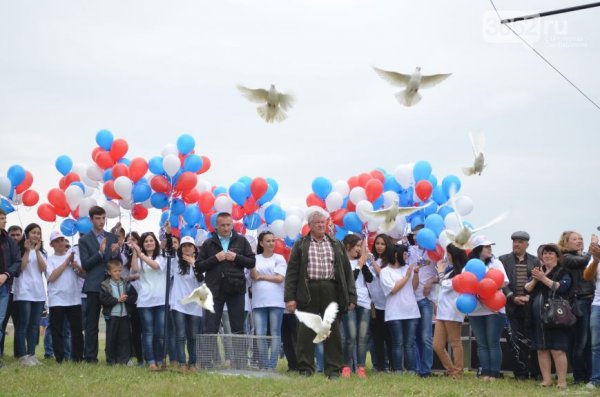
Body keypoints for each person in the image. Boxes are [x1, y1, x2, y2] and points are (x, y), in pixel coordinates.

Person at [284, 210, 356, 379]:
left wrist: (352, 296)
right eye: (317, 222)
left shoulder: (336, 244)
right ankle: (305, 369)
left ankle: (333, 370)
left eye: (323, 222)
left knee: (333, 331)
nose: (321, 225)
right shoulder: (300, 244)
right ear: (309, 225)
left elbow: (347, 273)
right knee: (305, 331)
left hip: (331, 289)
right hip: (307, 290)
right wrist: (290, 298)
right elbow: (292, 273)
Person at [196, 212, 255, 369]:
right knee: (210, 327)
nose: (226, 228)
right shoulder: (208, 243)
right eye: (222, 225)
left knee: (238, 327)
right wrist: (216, 258)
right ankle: (207, 363)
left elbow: (251, 261)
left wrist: (235, 257)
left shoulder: (241, 240)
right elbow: (199, 266)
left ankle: (241, 363)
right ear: (216, 226)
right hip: (214, 290)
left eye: (228, 224)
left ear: (232, 224)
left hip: (236, 289)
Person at [524, 243, 573, 389]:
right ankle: (546, 380)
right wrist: (535, 278)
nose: (547, 256)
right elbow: (527, 289)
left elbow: (562, 287)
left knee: (557, 349)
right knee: (541, 349)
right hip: (537, 317)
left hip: (556, 317)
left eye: (550, 253)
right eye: (544, 254)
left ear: (557, 256)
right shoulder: (538, 271)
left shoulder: (563, 271)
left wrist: (543, 278)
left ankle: (562, 382)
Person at [78, 206, 120, 363]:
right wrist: (101, 253)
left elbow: (117, 264)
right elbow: (86, 264)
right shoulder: (84, 240)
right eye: (98, 218)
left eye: (103, 218)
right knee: (91, 324)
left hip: (111, 286)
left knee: (113, 322)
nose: (101, 221)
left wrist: (116, 253)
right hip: (93, 286)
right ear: (91, 219)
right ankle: (90, 357)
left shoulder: (112, 237)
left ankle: (112, 357)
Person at [498, 231, 541, 380]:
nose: (516, 244)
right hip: (511, 307)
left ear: (527, 244)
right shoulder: (503, 260)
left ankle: (535, 372)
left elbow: (538, 283)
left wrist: (528, 297)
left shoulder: (535, 261)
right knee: (514, 340)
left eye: (520, 242)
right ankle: (520, 373)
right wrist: (512, 297)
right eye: (514, 241)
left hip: (530, 308)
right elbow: (501, 282)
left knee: (533, 340)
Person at [467, 235, 509, 381]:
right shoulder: (469, 264)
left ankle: (494, 373)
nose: (490, 249)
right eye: (487, 246)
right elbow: (464, 283)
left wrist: (486, 288)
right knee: (482, 343)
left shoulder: (496, 263)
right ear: (478, 249)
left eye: (491, 246)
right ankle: (484, 372)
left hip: (494, 308)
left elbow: (503, 282)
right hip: (475, 309)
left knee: (493, 342)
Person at [559, 231, 595, 384]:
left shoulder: (582, 256)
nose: (579, 241)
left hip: (589, 301)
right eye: (574, 239)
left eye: (581, 238)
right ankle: (579, 377)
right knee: (580, 342)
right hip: (578, 302)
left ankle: (588, 376)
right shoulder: (566, 257)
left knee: (588, 343)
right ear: (565, 243)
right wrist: (592, 248)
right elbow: (583, 262)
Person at [130, 229, 169, 371]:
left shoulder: (162, 256)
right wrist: (136, 252)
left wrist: (140, 254)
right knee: (148, 332)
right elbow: (134, 269)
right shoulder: (140, 257)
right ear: (142, 244)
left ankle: (160, 360)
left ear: (156, 242)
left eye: (151, 240)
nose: (149, 243)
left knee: (160, 334)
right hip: (145, 301)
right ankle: (151, 361)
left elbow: (155, 266)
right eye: (146, 241)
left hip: (161, 300)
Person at [45, 230, 84, 363]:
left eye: (62, 240)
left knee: (76, 330)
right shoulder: (49, 260)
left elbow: (84, 274)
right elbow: (52, 277)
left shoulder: (74, 256)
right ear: (52, 244)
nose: (60, 243)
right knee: (57, 330)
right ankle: (60, 358)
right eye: (56, 241)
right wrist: (66, 262)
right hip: (57, 299)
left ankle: (77, 357)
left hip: (74, 298)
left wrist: (74, 264)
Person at [380, 244, 420, 373]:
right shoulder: (385, 271)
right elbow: (393, 290)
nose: (406, 256)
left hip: (411, 311)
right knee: (398, 343)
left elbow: (414, 287)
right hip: (395, 312)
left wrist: (415, 274)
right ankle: (398, 370)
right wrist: (407, 277)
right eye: (404, 254)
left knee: (410, 344)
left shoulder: (407, 268)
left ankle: (412, 370)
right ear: (396, 254)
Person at [250, 231, 287, 370]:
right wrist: (252, 261)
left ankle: (272, 365)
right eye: (268, 241)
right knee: (260, 333)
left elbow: (279, 278)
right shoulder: (255, 258)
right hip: (259, 301)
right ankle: (265, 364)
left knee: (275, 332)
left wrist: (262, 276)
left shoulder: (280, 258)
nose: (271, 243)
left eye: (273, 240)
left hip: (276, 300)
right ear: (261, 243)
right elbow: (254, 276)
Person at [14, 223, 47, 366]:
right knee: (23, 324)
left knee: (34, 326)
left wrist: (37, 251)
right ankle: (22, 356)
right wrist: (27, 251)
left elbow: (43, 268)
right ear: (27, 234)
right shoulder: (19, 250)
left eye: (38, 233)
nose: (36, 235)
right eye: (33, 232)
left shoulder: (42, 252)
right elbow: (20, 269)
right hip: (24, 292)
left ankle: (32, 355)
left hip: (38, 292)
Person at [340, 234, 373, 378]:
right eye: (357, 246)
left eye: (360, 246)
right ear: (348, 246)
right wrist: (359, 265)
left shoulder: (361, 262)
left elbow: (370, 279)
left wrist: (363, 264)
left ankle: (361, 368)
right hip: (350, 302)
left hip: (364, 302)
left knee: (363, 336)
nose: (359, 249)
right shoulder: (342, 263)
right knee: (351, 336)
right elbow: (349, 281)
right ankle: (346, 366)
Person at [433, 243, 467, 378]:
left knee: (455, 342)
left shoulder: (463, 271)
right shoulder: (450, 270)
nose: (446, 257)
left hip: (453, 312)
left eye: (448, 254)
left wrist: (440, 271)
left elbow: (448, 286)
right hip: (442, 312)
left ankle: (458, 372)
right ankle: (451, 370)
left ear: (453, 255)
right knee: (437, 345)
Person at [170, 236, 203, 372]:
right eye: (184, 245)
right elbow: (168, 247)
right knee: (181, 335)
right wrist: (168, 232)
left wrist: (194, 263)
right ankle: (182, 363)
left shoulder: (200, 263)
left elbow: (202, 280)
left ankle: (193, 363)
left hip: (195, 305)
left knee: (193, 336)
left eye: (190, 245)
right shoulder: (175, 262)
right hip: (178, 304)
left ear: (194, 248)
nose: (187, 248)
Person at [407, 225, 436, 378]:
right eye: (415, 235)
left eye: (421, 234)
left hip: (425, 299)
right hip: (411, 299)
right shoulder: (409, 251)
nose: (417, 237)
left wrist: (432, 280)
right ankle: (416, 369)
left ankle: (426, 370)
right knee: (413, 338)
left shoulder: (434, 252)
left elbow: (443, 272)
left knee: (426, 337)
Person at [100, 259, 136, 365]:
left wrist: (126, 299)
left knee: (125, 338)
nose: (118, 273)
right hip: (112, 315)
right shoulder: (104, 285)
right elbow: (103, 299)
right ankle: (111, 360)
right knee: (112, 338)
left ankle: (125, 360)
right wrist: (117, 300)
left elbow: (134, 296)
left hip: (124, 315)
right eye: (115, 271)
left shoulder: (126, 283)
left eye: (119, 270)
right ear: (109, 272)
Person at [368, 233, 395, 372]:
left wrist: (372, 262)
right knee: (377, 338)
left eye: (382, 244)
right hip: (374, 305)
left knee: (389, 338)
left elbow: (382, 275)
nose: (379, 246)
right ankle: (379, 366)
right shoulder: (370, 260)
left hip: (388, 305)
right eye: (377, 243)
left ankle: (392, 365)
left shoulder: (390, 261)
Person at [0, 211, 21, 366]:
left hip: (4, 286)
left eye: (5, 218)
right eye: (1, 219)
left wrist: (6, 274)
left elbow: (17, 262)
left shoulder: (9, 241)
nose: (4, 221)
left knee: (0, 322)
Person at [583, 239, 600, 389]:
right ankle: (595, 379)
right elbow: (587, 277)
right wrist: (595, 261)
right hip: (597, 305)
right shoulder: (597, 255)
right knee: (595, 345)